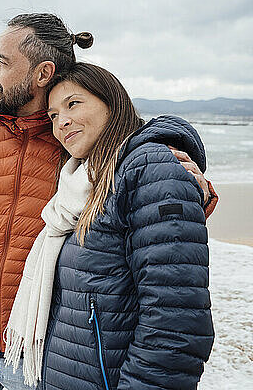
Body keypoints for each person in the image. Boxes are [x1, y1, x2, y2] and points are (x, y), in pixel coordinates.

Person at [0, 13, 217, 389]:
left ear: (42, 73)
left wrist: (190, 185)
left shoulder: (81, 143)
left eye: (1, 61)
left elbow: (145, 196)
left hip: (41, 356)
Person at [17, 62, 213, 389]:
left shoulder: (149, 169)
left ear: (112, 103)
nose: (62, 121)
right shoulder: (83, 182)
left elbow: (176, 324)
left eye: (73, 104)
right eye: (53, 115)